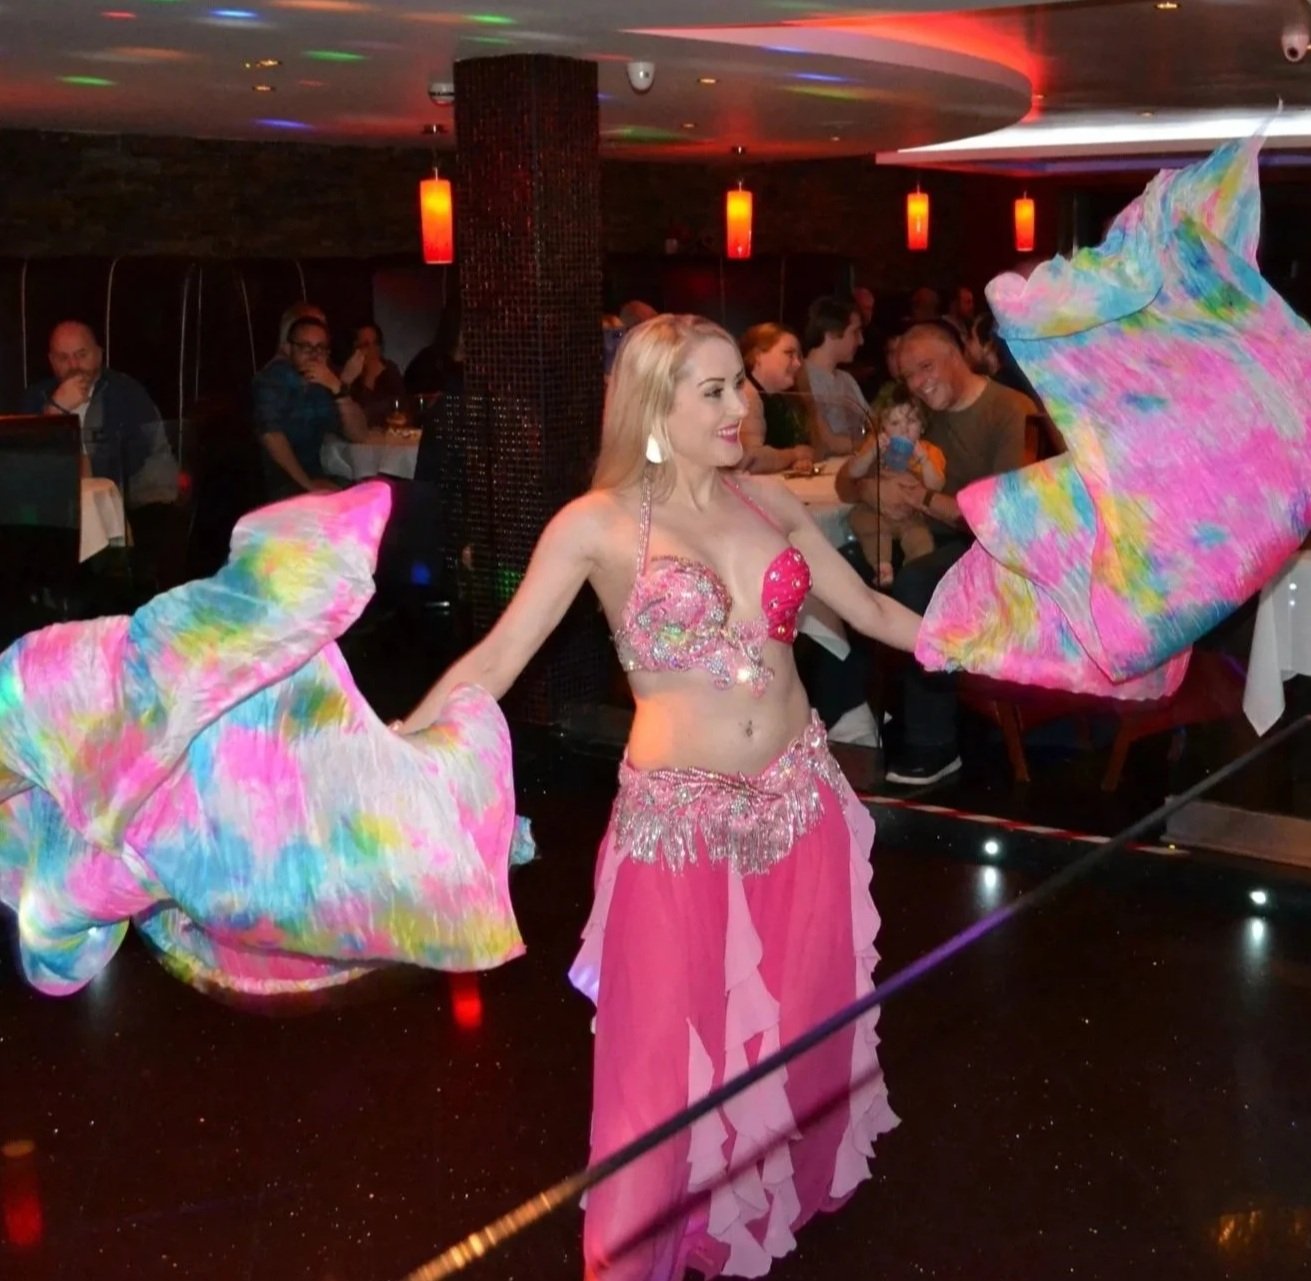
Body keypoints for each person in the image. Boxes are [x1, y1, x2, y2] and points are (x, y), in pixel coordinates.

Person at [398, 314, 917, 1280]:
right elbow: (500, 657)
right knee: (662, 1051)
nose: (739, 405)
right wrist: (400, 744)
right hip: (678, 822)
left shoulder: (770, 503)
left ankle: (776, 1194)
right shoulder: (595, 524)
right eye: (712, 390)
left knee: (797, 1020)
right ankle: (645, 1241)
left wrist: (993, 638)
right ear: (651, 405)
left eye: (741, 386)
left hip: (800, 799)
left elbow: (876, 612)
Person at [838, 319, 1036, 785]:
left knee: (918, 581)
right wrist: (871, 487)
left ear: (958, 356)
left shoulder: (1010, 409)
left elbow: (1007, 518)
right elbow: (846, 484)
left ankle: (934, 743)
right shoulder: (920, 416)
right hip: (922, 536)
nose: (919, 383)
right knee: (839, 568)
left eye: (926, 367)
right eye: (908, 376)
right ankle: (852, 717)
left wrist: (922, 499)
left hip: (993, 549)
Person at [20, 319, 179, 574]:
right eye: (63, 357)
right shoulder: (37, 397)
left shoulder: (124, 392)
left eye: (81, 355)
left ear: (98, 354)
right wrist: (54, 411)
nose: (73, 366)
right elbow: (24, 459)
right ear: (51, 361)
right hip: (63, 507)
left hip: (139, 503)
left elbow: (124, 464)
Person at [251, 315, 369, 500]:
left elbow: (359, 434)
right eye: (306, 347)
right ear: (288, 349)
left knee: (376, 492)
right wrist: (309, 486)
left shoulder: (322, 385)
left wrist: (339, 388)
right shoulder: (272, 381)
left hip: (317, 475)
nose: (314, 354)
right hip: (275, 484)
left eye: (320, 348)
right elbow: (271, 436)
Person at [846, 387, 945, 587]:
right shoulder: (876, 446)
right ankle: (882, 566)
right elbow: (854, 472)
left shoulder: (928, 451)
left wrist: (924, 461)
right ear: (883, 428)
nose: (904, 429)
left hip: (911, 515)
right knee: (866, 523)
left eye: (911, 422)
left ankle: (912, 576)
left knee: (922, 542)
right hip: (876, 511)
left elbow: (937, 485)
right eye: (895, 423)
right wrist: (872, 452)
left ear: (922, 426)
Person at [736, 322, 814, 474]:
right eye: (789, 354)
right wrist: (795, 455)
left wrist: (800, 458)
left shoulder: (784, 398)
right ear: (758, 356)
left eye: (799, 356)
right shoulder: (747, 394)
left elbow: (808, 447)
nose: (798, 364)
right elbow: (751, 460)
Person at [801, 297, 868, 456]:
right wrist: (870, 445)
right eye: (855, 332)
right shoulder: (802, 377)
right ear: (831, 332)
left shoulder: (847, 379)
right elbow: (826, 442)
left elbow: (873, 423)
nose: (861, 341)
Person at [346, 322, 407, 422]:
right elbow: (359, 418)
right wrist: (369, 380)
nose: (372, 349)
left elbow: (402, 406)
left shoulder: (389, 368)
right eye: (366, 345)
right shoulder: (350, 375)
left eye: (376, 343)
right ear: (355, 349)